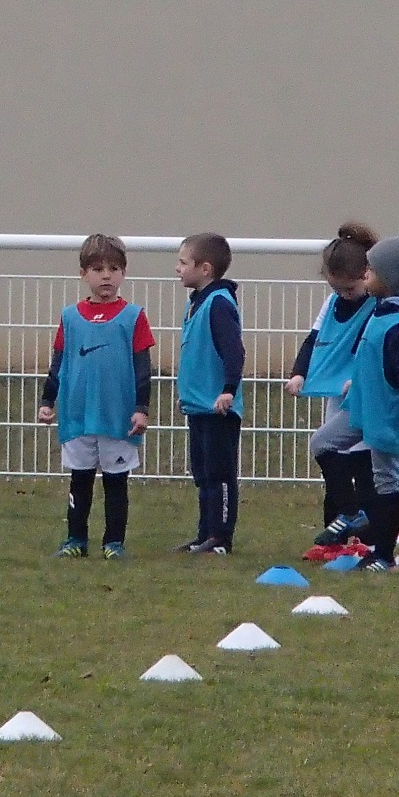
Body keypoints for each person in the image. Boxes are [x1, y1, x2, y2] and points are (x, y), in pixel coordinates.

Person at [323, 233, 399, 572]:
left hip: (385, 414)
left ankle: (384, 557)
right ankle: (352, 512)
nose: (365, 276)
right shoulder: (379, 312)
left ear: (390, 279)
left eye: (371, 271)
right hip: (361, 408)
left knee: (387, 480)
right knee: (322, 443)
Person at [37, 235, 155, 559]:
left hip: (117, 417)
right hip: (78, 415)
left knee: (116, 482)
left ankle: (114, 542)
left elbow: (143, 368)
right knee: (80, 480)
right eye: (98, 269)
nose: (106, 276)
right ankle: (76, 539)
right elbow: (58, 363)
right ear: (83, 274)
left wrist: (141, 408)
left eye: (114, 269)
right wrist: (47, 402)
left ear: (124, 273)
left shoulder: (134, 317)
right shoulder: (70, 317)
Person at [282, 222, 380, 559]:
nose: (343, 295)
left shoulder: (378, 304)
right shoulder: (332, 302)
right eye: (336, 289)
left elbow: (374, 346)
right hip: (337, 394)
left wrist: (361, 379)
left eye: (349, 289)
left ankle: (366, 541)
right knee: (334, 466)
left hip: (364, 397)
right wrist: (299, 373)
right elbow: (314, 339)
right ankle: (335, 538)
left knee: (362, 465)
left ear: (367, 275)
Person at [172, 233, 245, 555]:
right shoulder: (195, 303)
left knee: (220, 474)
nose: (177, 269)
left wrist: (228, 391)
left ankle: (220, 536)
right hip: (199, 406)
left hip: (218, 408)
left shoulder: (219, 303)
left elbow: (234, 352)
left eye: (183, 262)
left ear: (205, 269)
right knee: (202, 474)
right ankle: (204, 533)